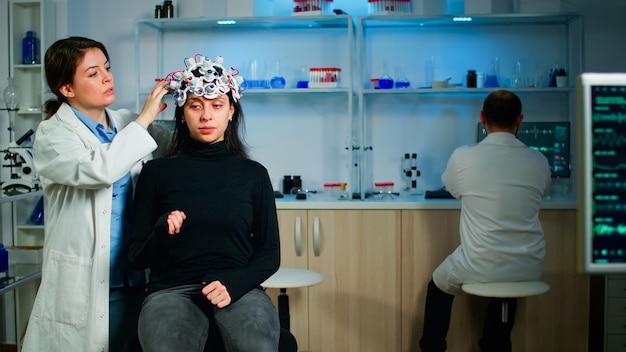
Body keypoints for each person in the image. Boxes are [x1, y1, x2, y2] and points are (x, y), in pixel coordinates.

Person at [21, 36, 172, 352]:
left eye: (107, 68)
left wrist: (197, 100)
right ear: (67, 89)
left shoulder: (124, 121)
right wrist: (145, 119)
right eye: (93, 73)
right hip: (86, 282)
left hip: (135, 275)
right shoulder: (53, 135)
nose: (107, 77)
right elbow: (100, 169)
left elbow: (176, 152)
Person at [126, 54, 281, 352]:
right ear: (182, 114)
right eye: (195, 106)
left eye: (216, 105)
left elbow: (269, 254)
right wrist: (161, 231)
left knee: (258, 346)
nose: (206, 115)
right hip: (170, 291)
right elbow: (135, 258)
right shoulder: (156, 173)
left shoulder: (253, 175)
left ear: (231, 111)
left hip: (239, 288)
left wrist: (234, 284)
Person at [418, 90, 552, 352]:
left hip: (478, 264)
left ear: (482, 118)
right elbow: (542, 191)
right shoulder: (539, 160)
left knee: (437, 286)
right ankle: (495, 344)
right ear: (520, 120)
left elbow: (453, 189)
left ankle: (432, 347)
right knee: (508, 283)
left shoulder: (463, 157)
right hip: (528, 266)